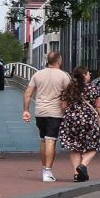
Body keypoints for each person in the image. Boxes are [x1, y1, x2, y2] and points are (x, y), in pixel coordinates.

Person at [20, 52, 72, 183]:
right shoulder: (63, 76)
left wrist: (26, 110)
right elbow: (70, 94)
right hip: (55, 112)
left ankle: (44, 169)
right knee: (51, 141)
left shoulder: (37, 74)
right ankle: (48, 171)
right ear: (59, 61)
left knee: (43, 140)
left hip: (40, 112)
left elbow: (27, 93)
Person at [57, 67, 100, 183]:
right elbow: (99, 106)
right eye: (88, 73)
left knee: (75, 148)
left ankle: (76, 174)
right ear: (84, 75)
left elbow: (63, 106)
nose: (90, 75)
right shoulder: (93, 88)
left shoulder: (69, 88)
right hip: (88, 119)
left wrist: (71, 114)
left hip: (71, 119)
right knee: (93, 146)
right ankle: (83, 165)